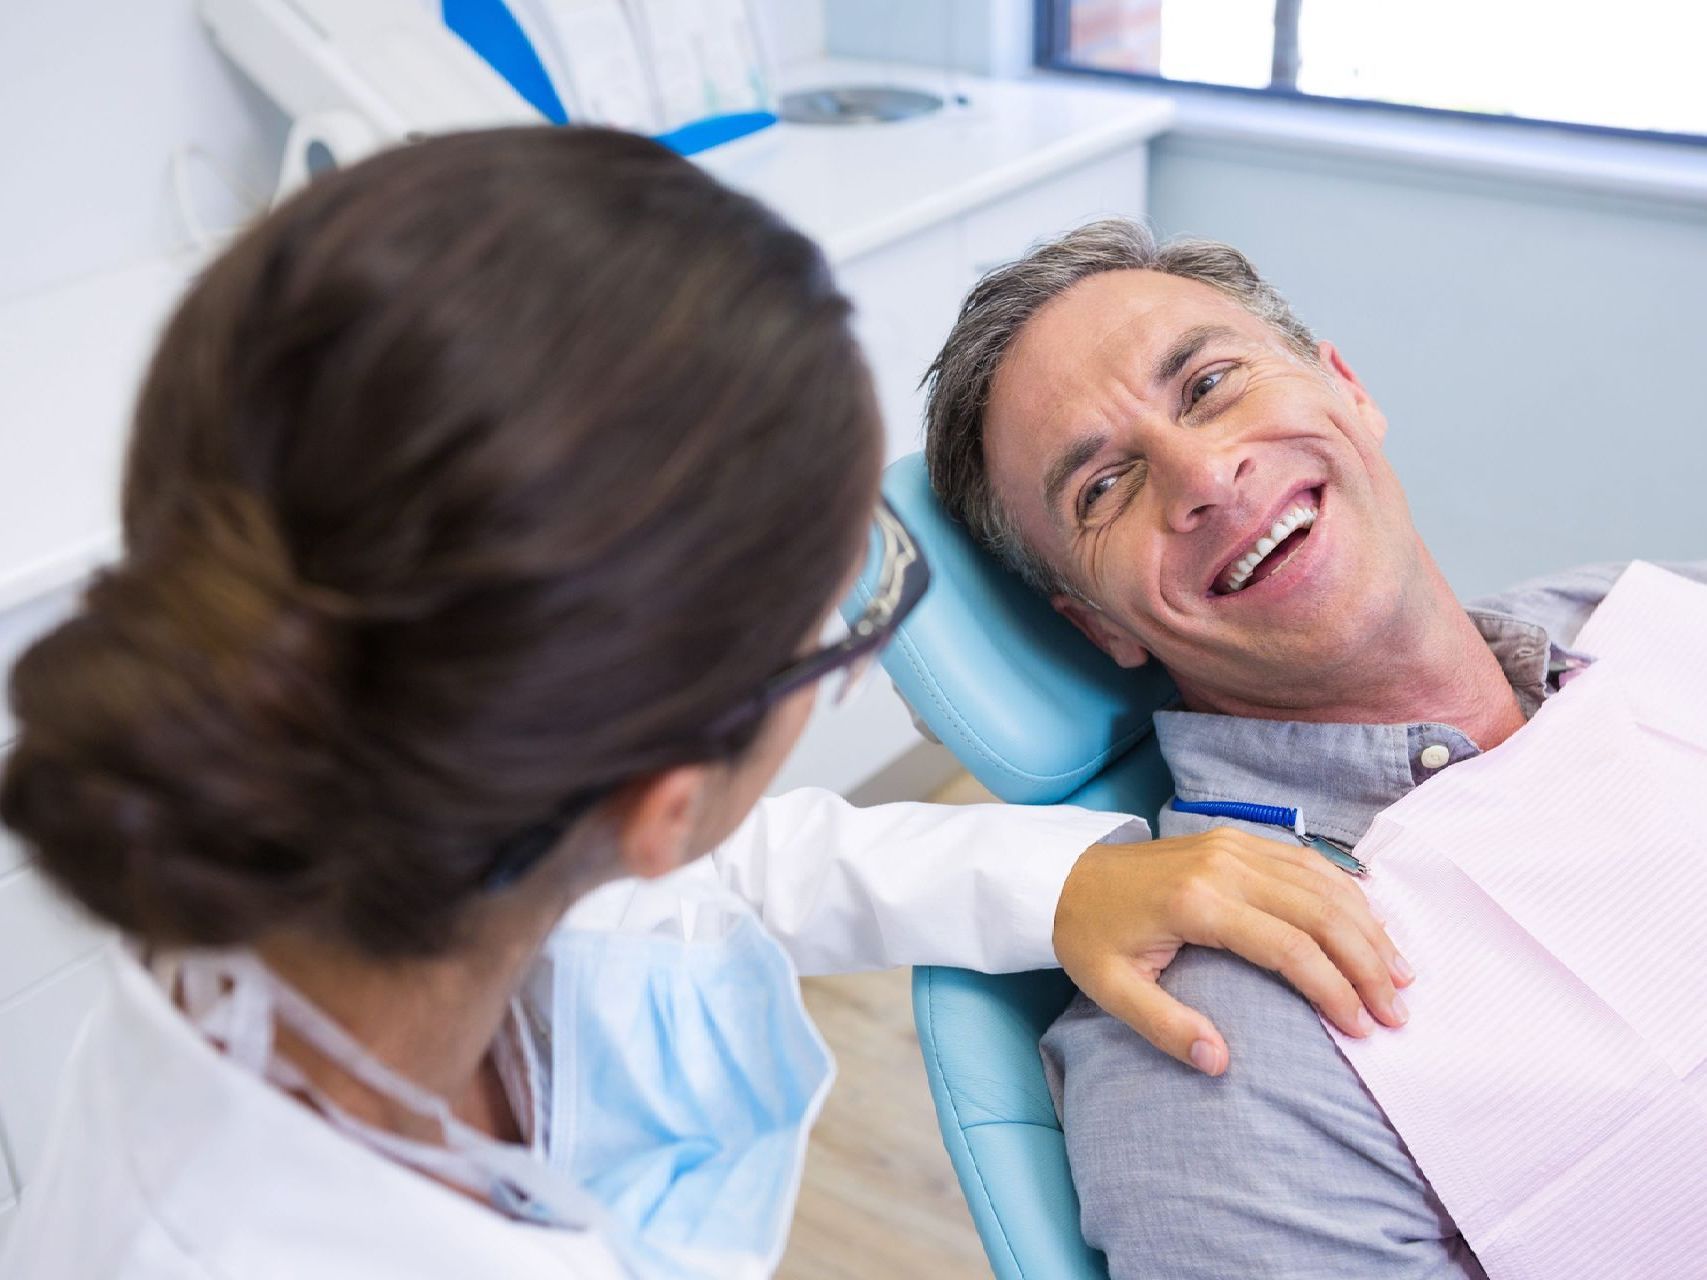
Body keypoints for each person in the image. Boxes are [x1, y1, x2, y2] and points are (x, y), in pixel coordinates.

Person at [0, 135, 1399, 1280]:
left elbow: (751, 872)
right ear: (656, 801)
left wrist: (1063, 878)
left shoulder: (398, 846)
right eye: (847, 603)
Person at [921, 217, 1705, 1280]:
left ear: (1347, 389)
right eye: (1103, 488)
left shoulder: (1639, 610)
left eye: (1208, 383)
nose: (1201, 473)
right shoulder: (1220, 1057)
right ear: (1096, 624)